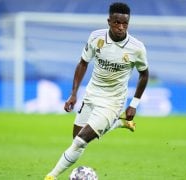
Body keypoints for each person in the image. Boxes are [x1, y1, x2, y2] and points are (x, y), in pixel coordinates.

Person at [45, 2, 149, 179]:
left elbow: (144, 75)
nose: (121, 27)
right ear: (109, 21)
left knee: (79, 142)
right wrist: (74, 93)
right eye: (117, 22)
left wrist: (134, 104)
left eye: (125, 24)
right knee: (77, 139)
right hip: (92, 95)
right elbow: (83, 63)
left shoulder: (136, 47)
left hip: (112, 102)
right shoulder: (96, 37)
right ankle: (119, 123)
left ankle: (51, 176)